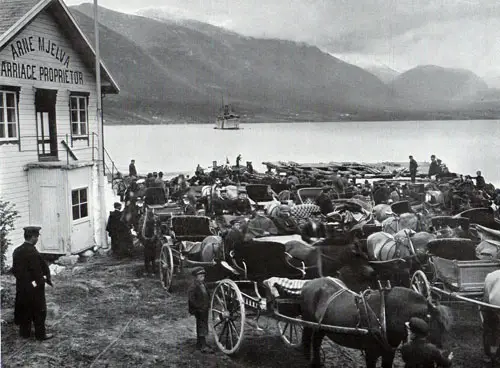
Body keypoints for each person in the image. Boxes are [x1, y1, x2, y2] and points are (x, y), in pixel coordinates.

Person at [12, 226, 54, 341]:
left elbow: (14, 270)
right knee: (39, 309)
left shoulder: (17, 250)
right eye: (37, 237)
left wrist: (23, 282)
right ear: (33, 237)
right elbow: (37, 272)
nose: (37, 239)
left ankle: (24, 333)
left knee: (24, 308)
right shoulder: (32, 252)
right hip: (34, 287)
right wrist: (40, 283)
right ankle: (40, 334)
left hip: (21, 287)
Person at [188, 267, 213, 353]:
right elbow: (191, 299)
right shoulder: (193, 286)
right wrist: (198, 307)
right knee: (201, 326)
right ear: (196, 277)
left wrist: (208, 304)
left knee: (203, 325)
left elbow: (208, 295)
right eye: (201, 276)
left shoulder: (204, 285)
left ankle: (200, 343)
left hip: (205, 309)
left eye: (203, 276)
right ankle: (203, 346)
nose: (203, 278)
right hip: (199, 310)